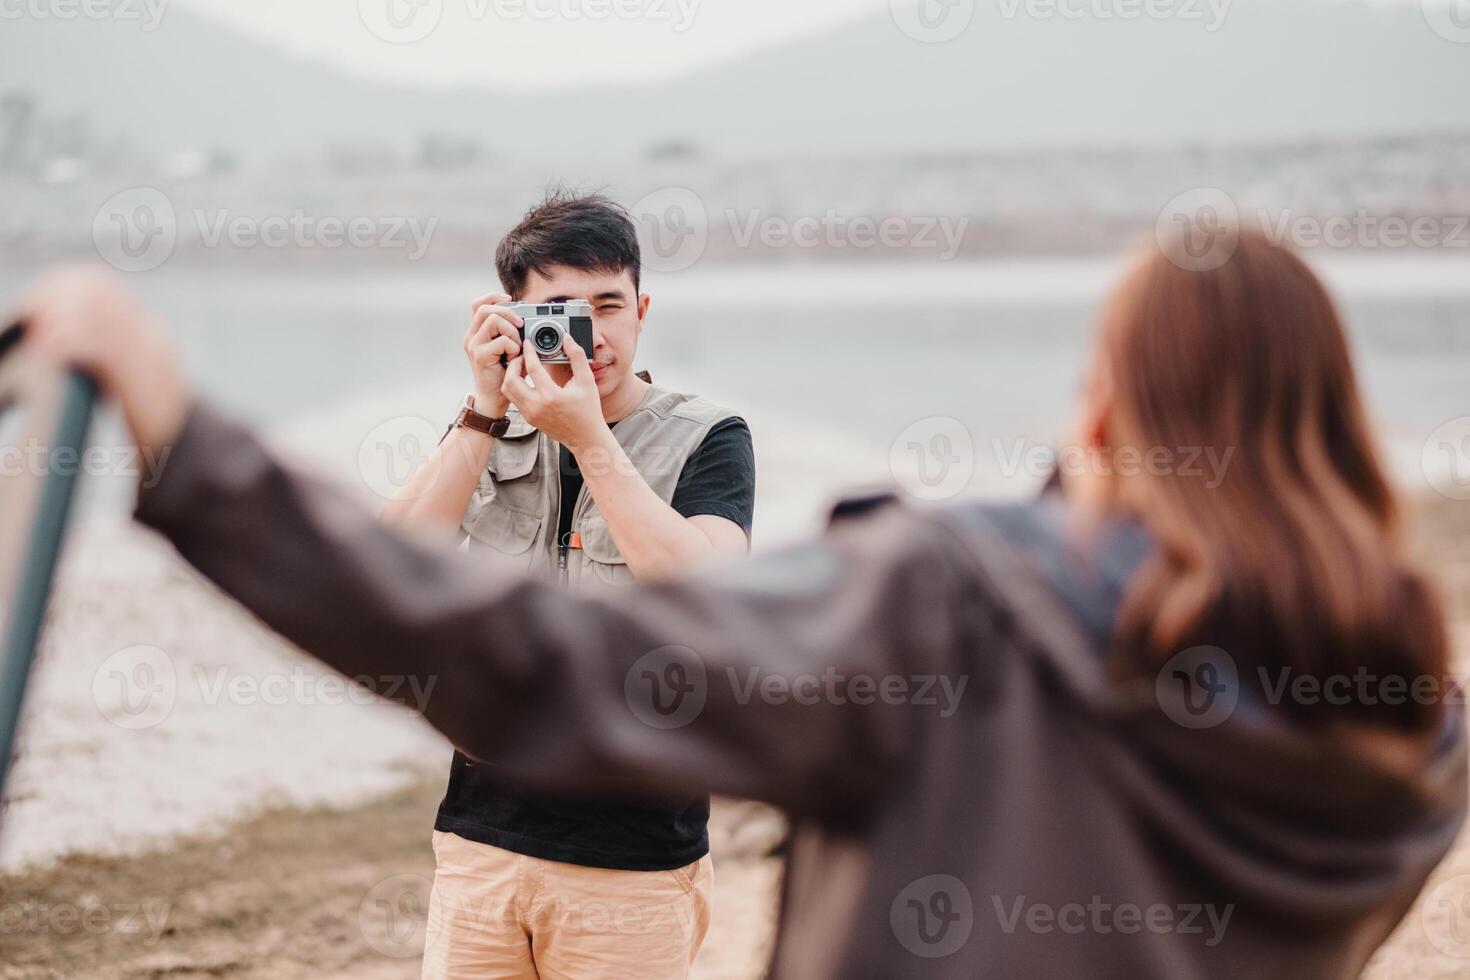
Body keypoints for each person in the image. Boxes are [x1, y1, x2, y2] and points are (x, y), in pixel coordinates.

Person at [19, 230, 1465, 979]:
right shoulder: (1413, 732)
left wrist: (183, 431)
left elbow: (529, 659)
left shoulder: (949, 611)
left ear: (1095, 409)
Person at [380, 191, 755, 978]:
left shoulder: (707, 439)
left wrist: (588, 437)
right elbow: (385, 570)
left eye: (607, 306)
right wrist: (484, 410)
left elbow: (707, 597)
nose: (590, 334)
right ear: (508, 316)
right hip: (479, 843)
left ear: (642, 310)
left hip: (633, 861)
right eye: (557, 310)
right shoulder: (485, 432)